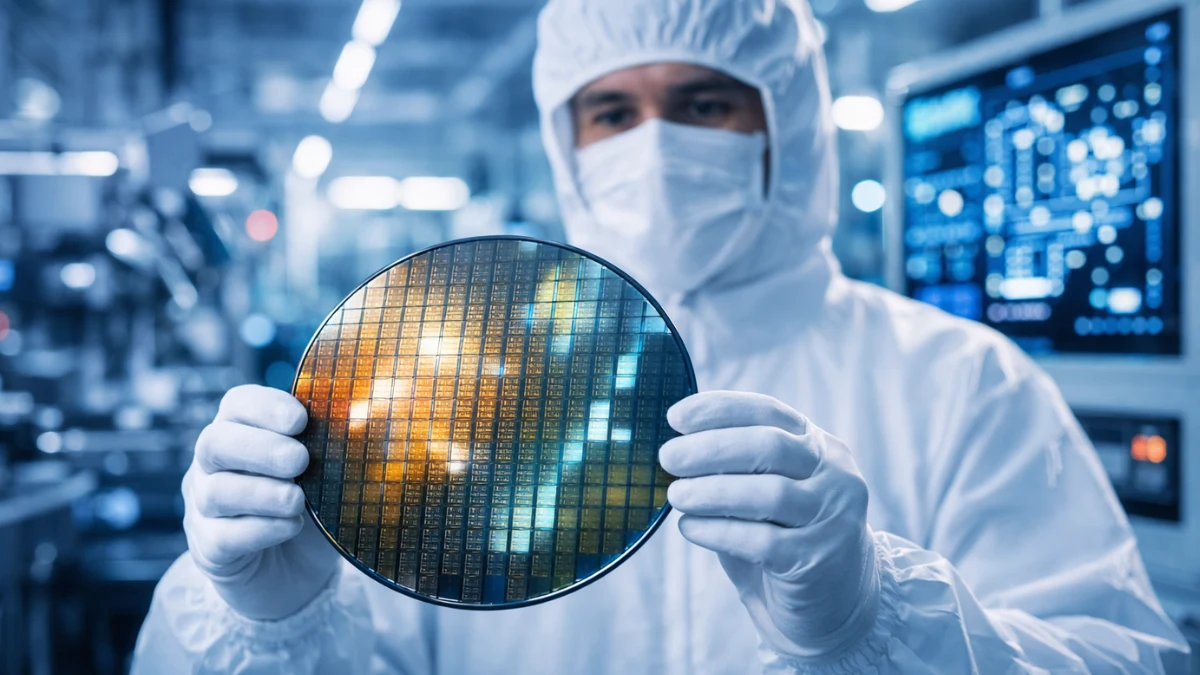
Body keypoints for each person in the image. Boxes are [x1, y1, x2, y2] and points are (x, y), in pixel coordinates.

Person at [132, 0, 1190, 672]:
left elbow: (1122, 658)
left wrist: (876, 620)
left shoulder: (962, 383)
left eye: (703, 102)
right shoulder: (445, 391)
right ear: (569, 141)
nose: (657, 144)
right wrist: (271, 625)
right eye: (612, 113)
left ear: (789, 126)